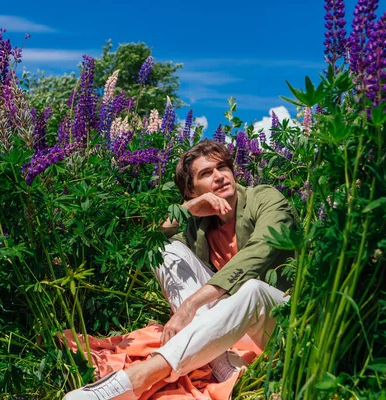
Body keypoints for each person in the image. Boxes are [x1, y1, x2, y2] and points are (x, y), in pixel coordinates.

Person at [64, 140, 297, 400]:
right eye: (206, 174)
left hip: (282, 319)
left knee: (253, 289)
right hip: (228, 323)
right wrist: (187, 209)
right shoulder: (199, 223)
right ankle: (220, 360)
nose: (219, 177)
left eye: (222, 167)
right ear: (192, 190)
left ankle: (140, 376)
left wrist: (189, 306)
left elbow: (258, 253)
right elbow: (151, 245)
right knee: (163, 251)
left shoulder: (264, 198)